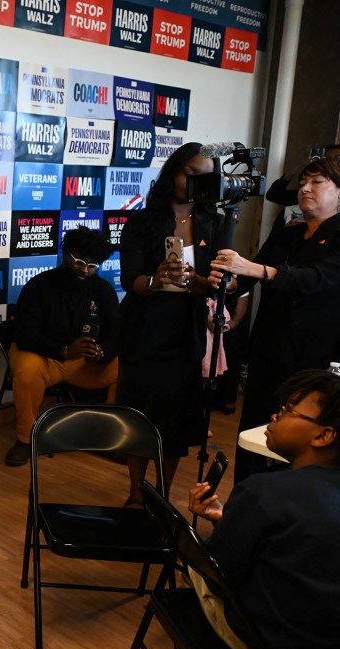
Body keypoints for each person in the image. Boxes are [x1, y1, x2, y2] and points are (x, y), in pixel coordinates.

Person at [188, 369, 340, 649]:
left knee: (191, 563)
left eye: (287, 411)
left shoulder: (264, 490)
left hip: (269, 648)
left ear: (323, 435)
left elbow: (219, 573)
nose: (275, 415)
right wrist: (228, 520)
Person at [210, 156, 340, 482]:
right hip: (268, 349)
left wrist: (252, 269)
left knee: (298, 443)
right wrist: (229, 278)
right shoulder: (287, 234)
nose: (305, 189)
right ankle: (244, 506)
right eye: (304, 183)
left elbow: (311, 280)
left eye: (317, 183)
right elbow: (252, 276)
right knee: (255, 432)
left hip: (314, 358)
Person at [117, 142, 229, 506]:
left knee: (175, 423)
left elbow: (215, 283)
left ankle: (162, 495)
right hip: (145, 331)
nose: (194, 182)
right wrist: (155, 279)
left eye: (204, 176)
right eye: (189, 173)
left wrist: (195, 280)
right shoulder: (142, 221)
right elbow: (130, 279)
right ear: (173, 172)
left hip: (186, 334)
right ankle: (136, 492)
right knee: (139, 417)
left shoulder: (215, 223)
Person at [4, 227, 120, 466]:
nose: (84, 270)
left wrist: (102, 352)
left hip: (83, 363)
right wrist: (64, 350)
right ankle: (26, 439)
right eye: (78, 262)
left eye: (92, 266)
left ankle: (110, 437)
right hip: (46, 357)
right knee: (27, 369)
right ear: (66, 254)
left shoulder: (103, 290)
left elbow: (117, 335)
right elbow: (25, 336)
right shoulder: (39, 286)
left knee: (126, 367)